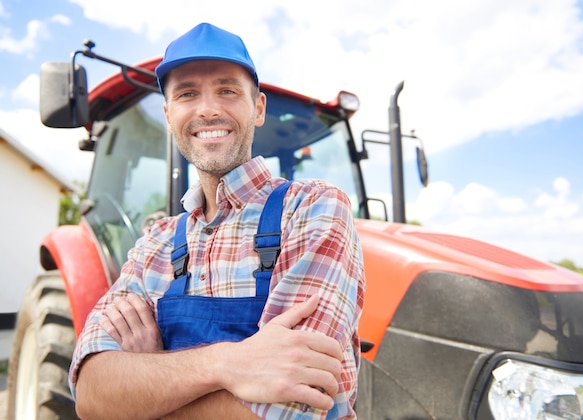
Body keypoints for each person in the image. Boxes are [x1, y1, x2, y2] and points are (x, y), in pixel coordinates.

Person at [69, 22, 366, 420]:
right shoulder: (153, 244)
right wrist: (225, 364)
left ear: (258, 108)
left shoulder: (313, 210)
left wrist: (149, 383)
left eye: (227, 90)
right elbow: (91, 395)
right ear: (168, 114)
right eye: (187, 93)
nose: (208, 109)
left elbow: (294, 409)